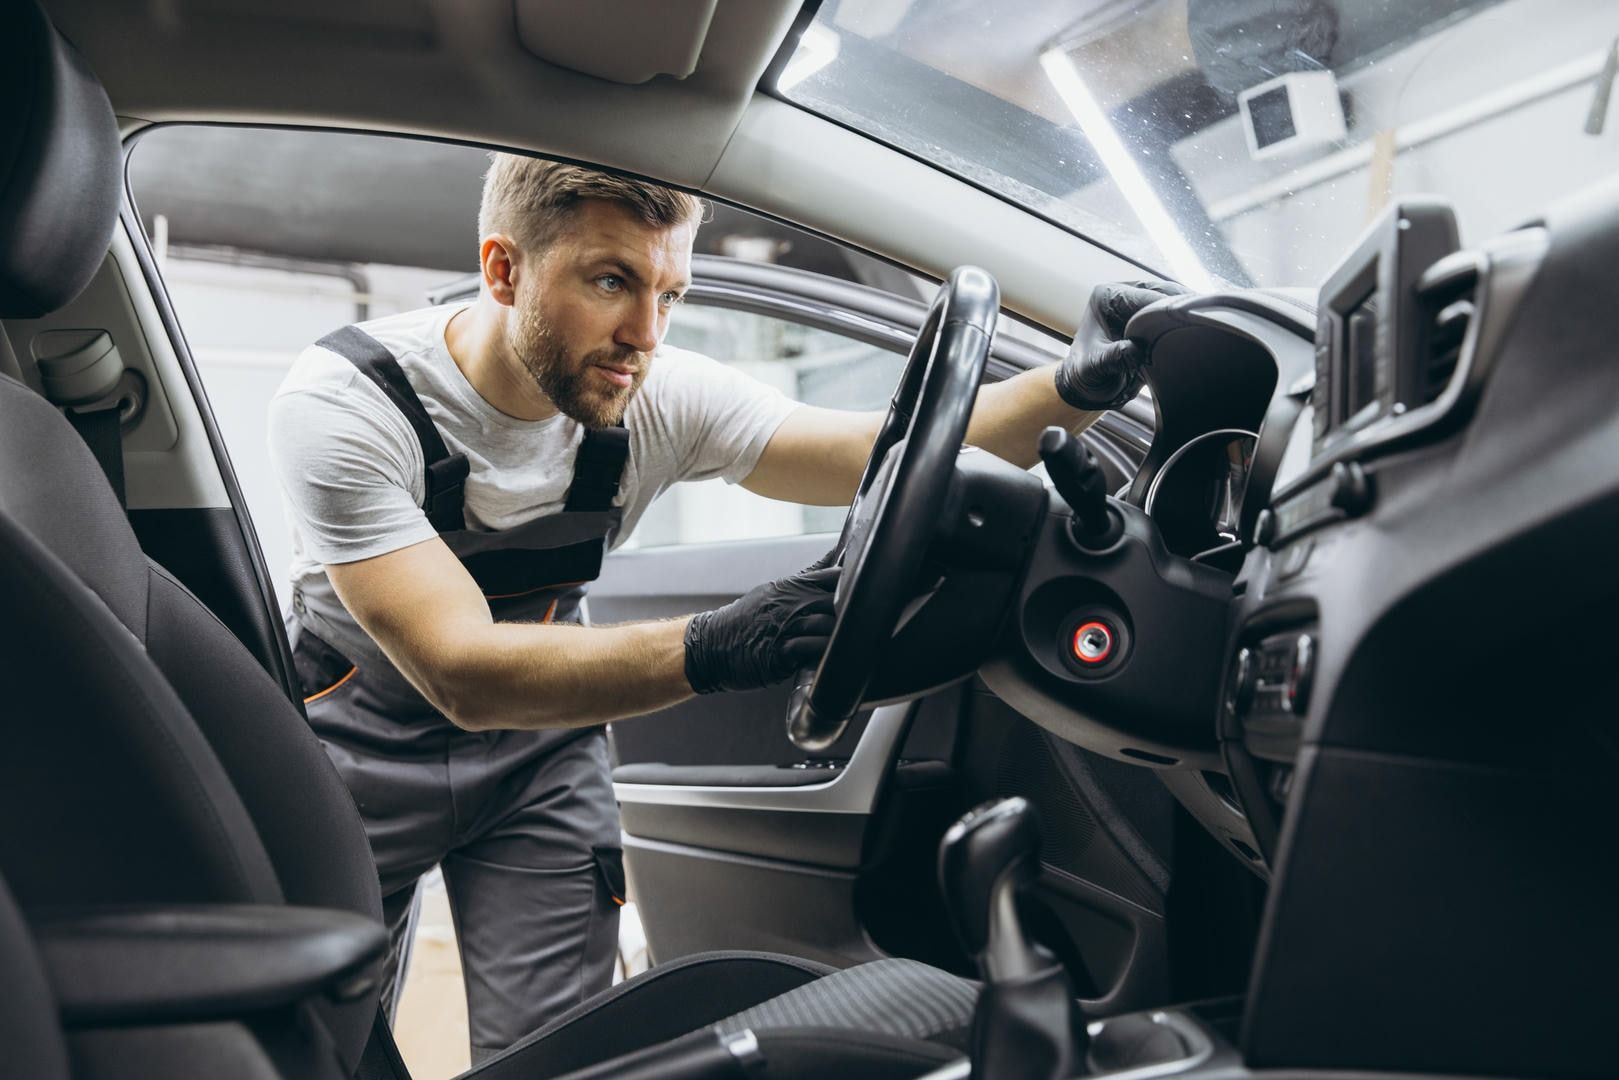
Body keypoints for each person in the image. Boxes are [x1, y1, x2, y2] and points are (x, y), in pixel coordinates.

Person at [267, 152, 1178, 1062]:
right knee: (322, 1042)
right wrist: (716, 647)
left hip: (538, 759)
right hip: (359, 752)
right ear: (504, 269)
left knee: (566, 1053)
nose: (644, 333)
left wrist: (1073, 387)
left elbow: (882, 453)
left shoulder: (652, 396)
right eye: (612, 281)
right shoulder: (352, 402)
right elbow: (463, 671)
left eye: (669, 293)